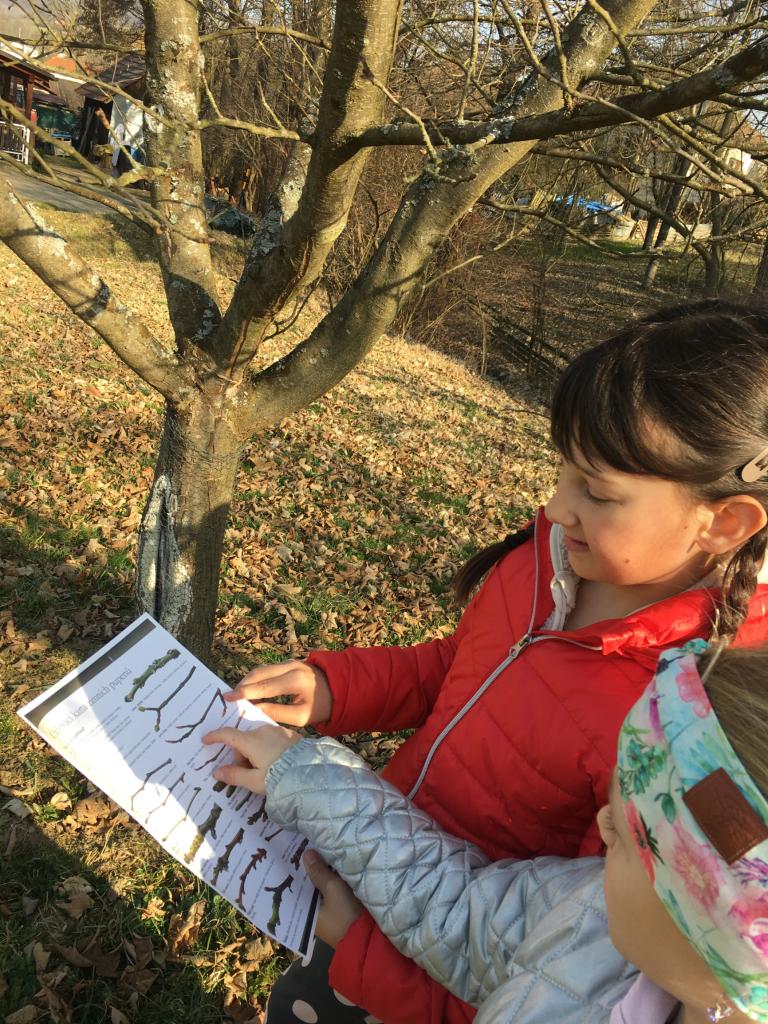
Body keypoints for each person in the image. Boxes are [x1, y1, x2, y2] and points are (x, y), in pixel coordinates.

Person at [225, 300, 768, 1023]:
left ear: (724, 522)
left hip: (423, 973)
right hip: (364, 861)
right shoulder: (554, 561)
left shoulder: (685, 725)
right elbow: (460, 667)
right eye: (562, 471)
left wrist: (365, 955)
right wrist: (337, 688)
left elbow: (566, 963)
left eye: (596, 491)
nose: (557, 505)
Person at [204, 639, 768, 1024]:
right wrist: (305, 777)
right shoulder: (587, 911)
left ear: (708, 920)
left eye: (622, 835)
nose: (601, 828)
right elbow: (455, 905)